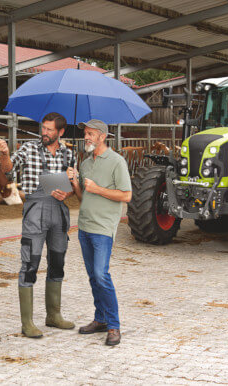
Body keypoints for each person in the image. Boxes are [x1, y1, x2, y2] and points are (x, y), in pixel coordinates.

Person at [0, 112, 76, 338]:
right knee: (30, 263)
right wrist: (4, 154)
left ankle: (53, 316)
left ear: (61, 132)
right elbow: (8, 169)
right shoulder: (29, 148)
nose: (45, 133)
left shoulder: (69, 153)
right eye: (44, 128)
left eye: (50, 130)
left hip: (59, 212)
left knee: (57, 263)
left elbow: (73, 186)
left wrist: (67, 192)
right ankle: (27, 322)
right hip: (35, 211)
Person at [67, 119, 131, 346]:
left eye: (91, 134)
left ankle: (114, 326)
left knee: (102, 275)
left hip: (103, 228)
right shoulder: (85, 163)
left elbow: (126, 195)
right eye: (85, 133)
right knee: (94, 277)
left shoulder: (116, 161)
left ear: (103, 136)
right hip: (84, 226)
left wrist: (98, 189)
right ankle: (100, 319)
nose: (86, 137)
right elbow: (84, 198)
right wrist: (75, 183)